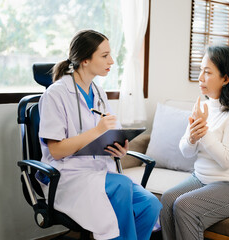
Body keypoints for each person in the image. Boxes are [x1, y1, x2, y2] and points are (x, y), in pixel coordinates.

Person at [37, 29, 161, 240]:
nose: (111, 60)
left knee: (151, 204)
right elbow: (56, 151)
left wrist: (120, 149)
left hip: (99, 173)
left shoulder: (99, 93)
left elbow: (111, 133)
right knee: (122, 186)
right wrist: (98, 130)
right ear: (85, 60)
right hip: (68, 176)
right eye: (104, 56)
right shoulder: (55, 94)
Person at [160, 45, 229, 240]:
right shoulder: (203, 106)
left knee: (185, 206)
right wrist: (191, 138)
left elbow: (226, 160)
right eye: (200, 71)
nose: (200, 78)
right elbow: (186, 151)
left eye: (207, 72)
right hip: (202, 178)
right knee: (167, 200)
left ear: (226, 78)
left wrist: (203, 132)